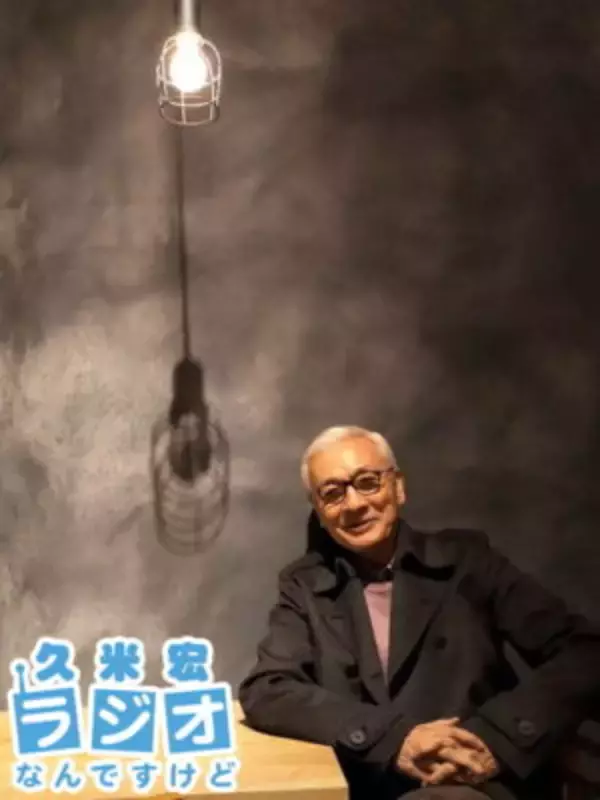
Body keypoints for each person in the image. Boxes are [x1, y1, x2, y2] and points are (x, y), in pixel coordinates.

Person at [238, 426, 600, 800]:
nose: (354, 504)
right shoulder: (305, 586)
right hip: (365, 787)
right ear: (319, 510)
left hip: (472, 784)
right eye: (332, 493)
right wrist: (395, 739)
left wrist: (498, 738)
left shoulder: (467, 562)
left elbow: (586, 653)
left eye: (367, 482)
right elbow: (267, 689)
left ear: (398, 487)